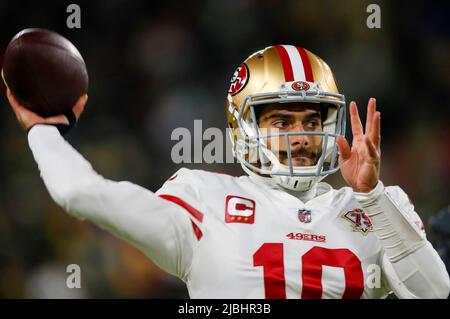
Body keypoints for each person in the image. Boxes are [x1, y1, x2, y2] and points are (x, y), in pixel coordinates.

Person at [5, 45, 450, 299]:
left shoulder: (374, 204)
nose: (300, 136)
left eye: (312, 121)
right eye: (281, 122)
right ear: (244, 129)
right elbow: (80, 194)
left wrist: (372, 195)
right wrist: (43, 130)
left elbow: (434, 293)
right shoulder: (203, 197)